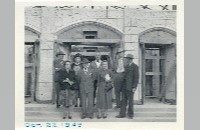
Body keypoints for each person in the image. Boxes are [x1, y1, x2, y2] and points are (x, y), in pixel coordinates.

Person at [116, 54, 139, 119]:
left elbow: (136, 78)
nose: (126, 60)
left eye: (127, 59)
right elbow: (123, 76)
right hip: (124, 87)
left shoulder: (135, 67)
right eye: (126, 59)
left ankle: (130, 115)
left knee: (130, 101)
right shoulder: (125, 66)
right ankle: (122, 114)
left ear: (130, 59)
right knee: (123, 101)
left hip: (131, 87)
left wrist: (134, 87)